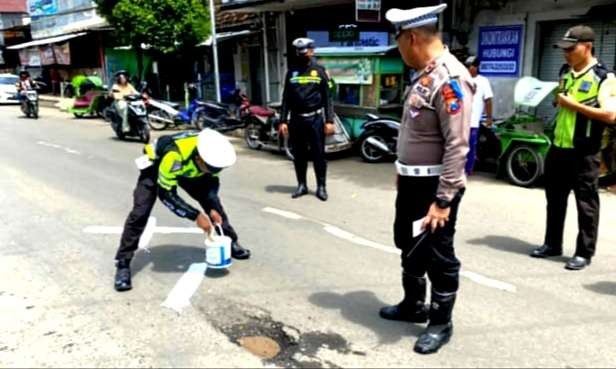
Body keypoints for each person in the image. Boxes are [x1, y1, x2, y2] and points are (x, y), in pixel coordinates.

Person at [382, 4, 474, 355]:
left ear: (412, 38)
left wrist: (444, 200)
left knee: (438, 254)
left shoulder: (450, 78)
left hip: (434, 189)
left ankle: (440, 323)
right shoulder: (424, 74)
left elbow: (457, 145)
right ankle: (412, 305)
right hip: (411, 182)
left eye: (400, 44)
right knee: (408, 243)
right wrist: (402, 169)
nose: (401, 51)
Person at [114, 129, 251, 292]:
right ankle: (123, 263)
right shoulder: (174, 156)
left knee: (213, 203)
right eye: (211, 168)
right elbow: (166, 195)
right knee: (140, 213)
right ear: (199, 158)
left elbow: (211, 183)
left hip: (189, 170)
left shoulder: (211, 154)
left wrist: (212, 208)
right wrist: (195, 216)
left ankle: (230, 242)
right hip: (157, 168)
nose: (214, 171)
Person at [530, 25, 616, 270]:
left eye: (571, 48)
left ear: (587, 47)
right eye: (563, 49)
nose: (565, 54)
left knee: (586, 204)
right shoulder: (565, 72)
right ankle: (552, 244)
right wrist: (560, 101)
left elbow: (610, 115)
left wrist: (573, 105)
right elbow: (561, 100)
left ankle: (584, 252)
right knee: (554, 199)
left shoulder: (604, 78)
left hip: (585, 151)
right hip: (559, 147)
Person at [279, 37, 335, 201]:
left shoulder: (320, 71)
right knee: (299, 155)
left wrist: (329, 121)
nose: (302, 55)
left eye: (305, 52)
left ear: (312, 51)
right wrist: (283, 120)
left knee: (318, 155)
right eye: (299, 52)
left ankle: (321, 187)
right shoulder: (291, 72)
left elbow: (327, 98)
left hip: (315, 119)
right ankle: (302, 185)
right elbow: (286, 99)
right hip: (296, 120)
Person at [464, 55, 493, 174]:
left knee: (470, 147)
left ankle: (468, 170)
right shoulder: (462, 79)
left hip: (473, 121)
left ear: (476, 67)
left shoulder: (483, 81)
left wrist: (489, 117)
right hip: (460, 120)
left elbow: (488, 100)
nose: (467, 69)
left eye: (469, 66)